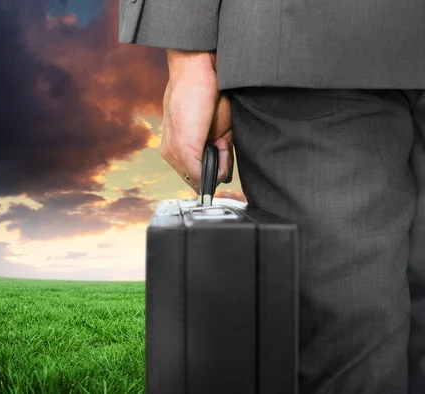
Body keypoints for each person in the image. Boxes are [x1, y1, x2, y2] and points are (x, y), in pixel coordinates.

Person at [118, 1, 425, 393]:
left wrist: (189, 55)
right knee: (342, 351)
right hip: (309, 47)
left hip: (300, 46)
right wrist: (190, 58)